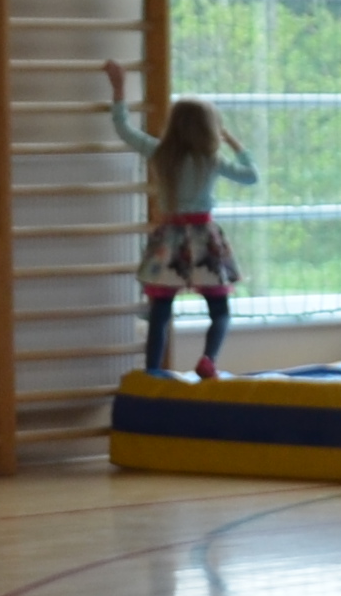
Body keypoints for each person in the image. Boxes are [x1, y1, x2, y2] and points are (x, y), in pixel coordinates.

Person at [100, 61, 253, 381]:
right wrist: (233, 142)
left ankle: (152, 370)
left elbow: (124, 130)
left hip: (170, 240)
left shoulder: (161, 153)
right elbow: (250, 176)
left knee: (160, 312)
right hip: (203, 238)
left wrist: (119, 90)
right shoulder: (210, 159)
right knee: (220, 311)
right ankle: (208, 360)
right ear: (209, 129)